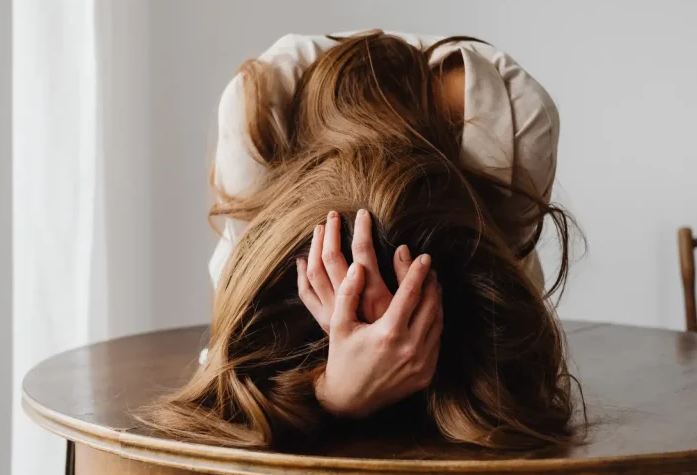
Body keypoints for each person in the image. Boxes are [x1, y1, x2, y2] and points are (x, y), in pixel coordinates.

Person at [138, 31, 576, 450]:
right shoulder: (257, 117)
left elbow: (523, 388)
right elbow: (223, 375)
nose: (382, 333)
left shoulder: (511, 129)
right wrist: (330, 392)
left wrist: (423, 347)